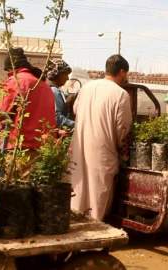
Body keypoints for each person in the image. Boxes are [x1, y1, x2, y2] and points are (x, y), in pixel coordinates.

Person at [70, 54, 133, 220]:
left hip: (80, 145)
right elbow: (123, 129)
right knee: (98, 194)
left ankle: (77, 230)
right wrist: (123, 152)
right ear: (122, 72)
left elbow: (76, 110)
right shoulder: (121, 94)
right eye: (126, 74)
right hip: (103, 150)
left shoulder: (86, 87)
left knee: (79, 189)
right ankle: (95, 237)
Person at [0, 47, 56, 152]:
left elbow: (2, 113)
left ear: (11, 67)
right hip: (43, 147)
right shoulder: (44, 85)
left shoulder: (16, 81)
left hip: (19, 147)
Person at [46, 59, 75, 129]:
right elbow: (57, 118)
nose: (67, 78)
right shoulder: (54, 91)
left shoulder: (49, 88)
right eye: (65, 74)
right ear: (57, 74)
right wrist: (76, 124)